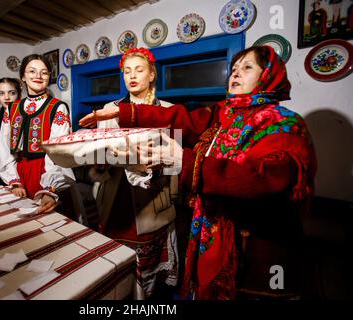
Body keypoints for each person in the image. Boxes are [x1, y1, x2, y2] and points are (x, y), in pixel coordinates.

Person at [80, 46, 317, 300]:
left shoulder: (284, 124)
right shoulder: (225, 113)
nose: (235, 74)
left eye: (247, 67)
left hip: (252, 239)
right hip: (206, 224)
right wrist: (122, 115)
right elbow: (182, 121)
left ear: (269, 75)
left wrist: (183, 161)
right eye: (234, 68)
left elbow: (263, 180)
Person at [90, 47, 179, 299]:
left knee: (148, 271)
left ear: (152, 74)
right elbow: (98, 159)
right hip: (116, 197)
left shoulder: (169, 110)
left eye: (139, 70)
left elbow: (175, 163)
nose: (132, 76)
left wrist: (152, 165)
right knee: (117, 267)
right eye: (127, 71)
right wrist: (103, 160)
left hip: (152, 198)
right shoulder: (109, 110)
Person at [0, 54, 78, 215]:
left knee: (52, 223)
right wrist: (14, 181)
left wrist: (50, 188)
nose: (38, 76)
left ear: (49, 76)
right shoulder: (12, 109)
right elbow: (4, 147)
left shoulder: (57, 107)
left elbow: (59, 151)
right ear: (23, 76)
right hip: (19, 174)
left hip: (47, 172)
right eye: (32, 71)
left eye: (44, 72)